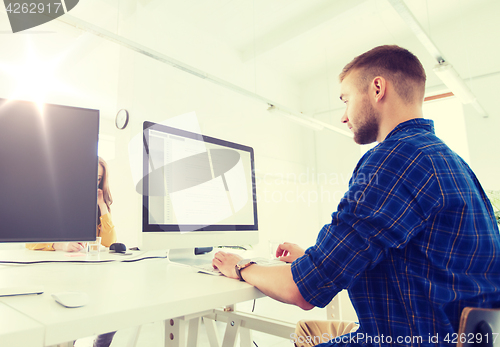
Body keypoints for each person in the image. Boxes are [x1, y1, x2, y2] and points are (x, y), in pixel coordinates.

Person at [212, 45, 500, 347]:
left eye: (346, 100)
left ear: (377, 88)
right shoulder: (448, 159)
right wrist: (315, 258)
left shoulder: (395, 158)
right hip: (460, 335)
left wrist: (241, 267)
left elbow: (303, 292)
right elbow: (410, 258)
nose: (343, 117)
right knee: (310, 330)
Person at [26, 156, 117, 347]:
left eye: (98, 178)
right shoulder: (58, 198)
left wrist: (102, 205)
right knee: (65, 321)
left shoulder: (98, 206)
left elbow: (109, 242)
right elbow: (29, 242)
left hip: (88, 272)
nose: (94, 182)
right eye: (90, 177)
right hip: (58, 275)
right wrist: (59, 245)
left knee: (112, 308)